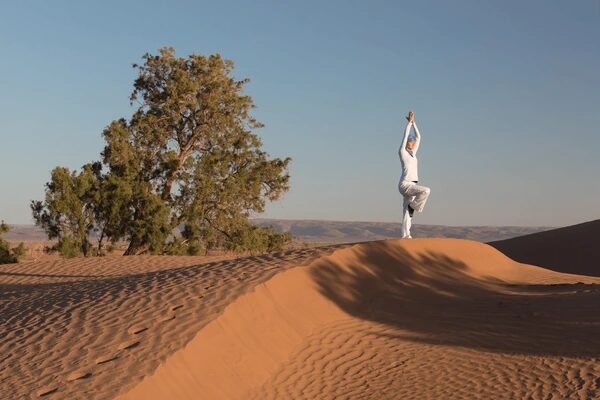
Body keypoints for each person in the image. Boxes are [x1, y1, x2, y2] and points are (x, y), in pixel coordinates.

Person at [398, 111, 431, 239]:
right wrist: (409, 124)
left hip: (413, 184)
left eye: (412, 141)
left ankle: (406, 234)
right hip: (405, 184)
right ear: (408, 143)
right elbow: (405, 136)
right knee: (426, 191)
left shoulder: (413, 154)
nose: (413, 142)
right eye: (411, 141)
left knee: (407, 212)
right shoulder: (402, 152)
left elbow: (419, 137)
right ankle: (414, 206)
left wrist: (414, 123)